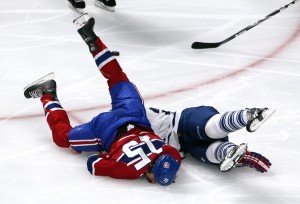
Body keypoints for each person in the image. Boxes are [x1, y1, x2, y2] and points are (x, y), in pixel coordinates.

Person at [23, 14, 181, 186]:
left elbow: (173, 159)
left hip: (133, 113)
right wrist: (93, 150)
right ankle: (47, 93)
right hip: (105, 130)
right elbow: (93, 164)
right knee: (64, 137)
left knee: (118, 78)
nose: (154, 183)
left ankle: (92, 39)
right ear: (150, 170)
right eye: (155, 179)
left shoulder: (170, 153)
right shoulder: (130, 171)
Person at [145, 105, 275, 173]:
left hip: (184, 121)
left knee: (209, 129)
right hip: (188, 146)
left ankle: (249, 115)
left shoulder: (133, 114)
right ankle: (235, 153)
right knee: (210, 154)